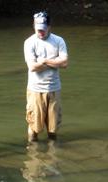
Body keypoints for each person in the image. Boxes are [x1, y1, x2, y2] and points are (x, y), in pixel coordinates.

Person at [24, 11, 68, 143]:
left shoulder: (58, 40)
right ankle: (32, 151)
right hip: (35, 89)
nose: (41, 32)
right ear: (33, 26)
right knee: (34, 127)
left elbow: (65, 63)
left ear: (49, 27)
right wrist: (55, 62)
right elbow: (32, 67)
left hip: (54, 88)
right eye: (38, 29)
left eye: (43, 29)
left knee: (53, 128)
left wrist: (43, 61)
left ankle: (52, 152)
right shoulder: (29, 42)